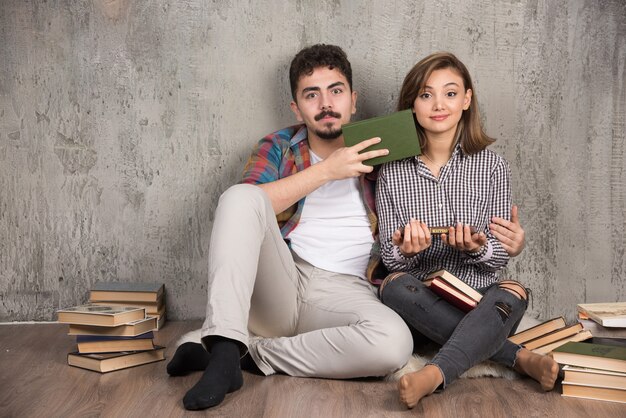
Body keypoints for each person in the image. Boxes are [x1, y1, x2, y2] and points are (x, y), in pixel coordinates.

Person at [165, 44, 415, 411]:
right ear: (297, 107)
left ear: (353, 100)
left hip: (350, 290)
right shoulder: (279, 146)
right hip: (282, 280)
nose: (325, 103)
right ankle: (224, 351)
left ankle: (239, 355)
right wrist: (327, 171)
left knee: (394, 344)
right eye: (311, 95)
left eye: (336, 90)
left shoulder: (382, 148)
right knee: (238, 197)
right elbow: (249, 206)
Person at [375, 52, 558, 409]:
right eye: (426, 95)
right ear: (412, 104)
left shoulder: (492, 166)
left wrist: (477, 248)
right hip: (420, 297)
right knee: (391, 286)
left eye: (450, 93)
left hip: (478, 296)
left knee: (513, 290)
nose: (439, 104)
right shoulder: (392, 172)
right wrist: (406, 250)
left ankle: (436, 372)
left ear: (467, 100)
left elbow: (500, 255)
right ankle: (518, 358)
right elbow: (389, 256)